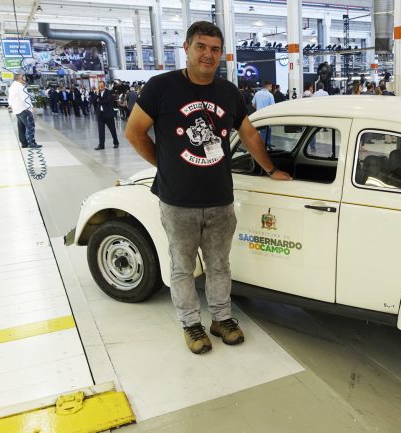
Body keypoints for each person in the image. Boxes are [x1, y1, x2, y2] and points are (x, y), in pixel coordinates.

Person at [124, 21, 292, 355]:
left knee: (219, 265)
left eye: (215, 49)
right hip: (177, 201)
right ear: (186, 48)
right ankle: (191, 324)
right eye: (201, 46)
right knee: (182, 267)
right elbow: (134, 132)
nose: (208, 55)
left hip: (219, 199)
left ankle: (221, 319)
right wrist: (164, 164)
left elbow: (248, 133)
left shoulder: (228, 92)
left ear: (221, 54)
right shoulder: (161, 87)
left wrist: (271, 169)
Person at [9, 74, 40, 149]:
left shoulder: (12, 86)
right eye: (24, 77)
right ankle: (31, 143)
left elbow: (10, 98)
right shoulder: (21, 87)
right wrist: (31, 108)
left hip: (17, 110)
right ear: (20, 78)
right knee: (30, 126)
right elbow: (25, 99)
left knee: (21, 127)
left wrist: (10, 104)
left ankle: (24, 143)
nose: (25, 78)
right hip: (24, 109)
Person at [94, 80, 120, 149]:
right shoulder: (97, 93)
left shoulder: (109, 92)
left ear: (104, 86)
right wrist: (96, 94)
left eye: (102, 86)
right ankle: (101, 145)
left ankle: (116, 142)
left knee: (112, 129)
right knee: (101, 131)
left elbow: (106, 101)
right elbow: (93, 101)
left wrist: (98, 100)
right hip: (100, 114)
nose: (100, 88)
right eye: (99, 87)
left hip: (108, 114)